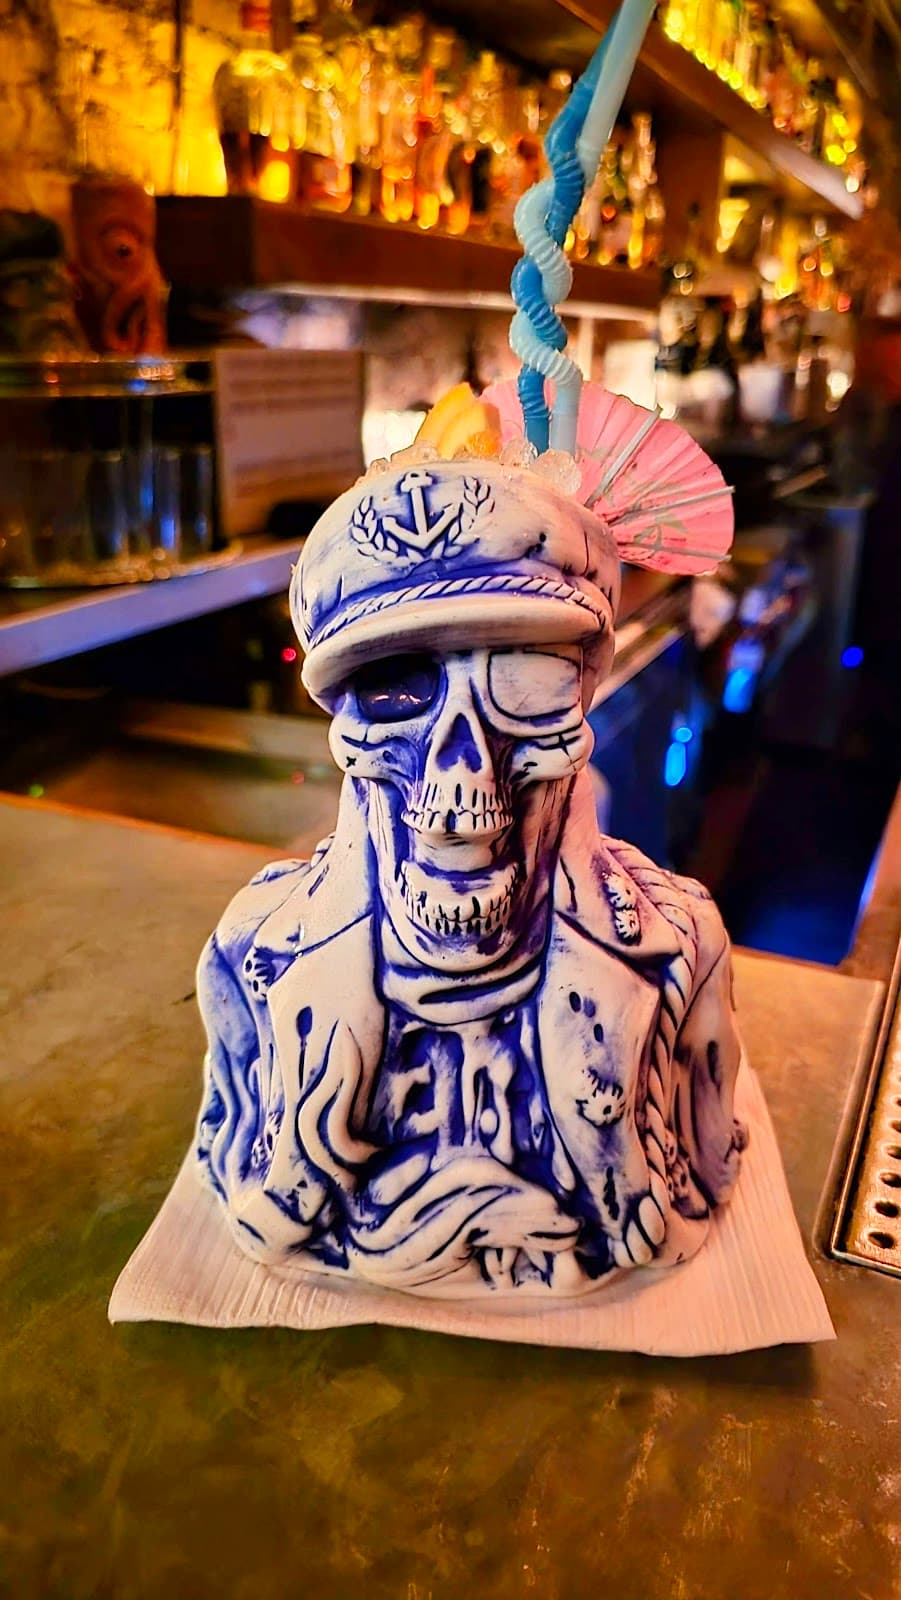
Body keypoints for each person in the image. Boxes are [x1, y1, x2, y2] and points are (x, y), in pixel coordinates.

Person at [195, 442, 745, 1298]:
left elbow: (709, 1140)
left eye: (523, 685)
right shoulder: (251, 960)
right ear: (343, 730)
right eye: (393, 693)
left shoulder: (680, 952)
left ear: (579, 701)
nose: (468, 773)